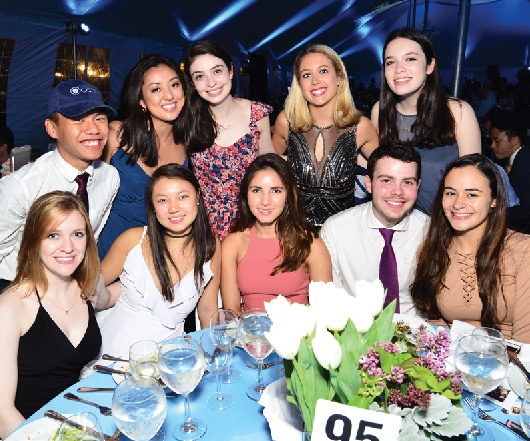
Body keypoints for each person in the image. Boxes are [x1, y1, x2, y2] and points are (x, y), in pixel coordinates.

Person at [0, 79, 119, 291]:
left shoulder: (110, 178)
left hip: (69, 288)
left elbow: (91, 238)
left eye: (100, 118)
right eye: (78, 120)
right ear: (52, 128)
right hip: (19, 288)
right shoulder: (22, 185)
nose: (93, 129)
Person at [0, 191, 102, 438]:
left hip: (72, 423)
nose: (68, 247)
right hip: (26, 431)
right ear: (35, 241)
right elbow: (2, 413)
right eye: (53, 235)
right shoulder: (12, 306)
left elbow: (113, 294)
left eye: (77, 234)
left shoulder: (86, 286)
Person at [96, 164, 220, 356]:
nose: (173, 208)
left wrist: (212, 355)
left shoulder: (211, 247)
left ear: (198, 197)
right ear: (153, 207)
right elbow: (91, 288)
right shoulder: (133, 240)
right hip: (114, 356)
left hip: (170, 359)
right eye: (162, 200)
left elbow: (207, 309)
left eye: (182, 196)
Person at [411, 154, 530, 342]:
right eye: (450, 192)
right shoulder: (432, 250)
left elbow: (526, 341)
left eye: (472, 194)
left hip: (511, 363)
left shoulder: (524, 251)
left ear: (494, 200)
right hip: (454, 361)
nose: (458, 204)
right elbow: (435, 325)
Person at [371, 28, 481, 214]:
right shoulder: (380, 111)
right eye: (391, 62)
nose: (399, 69)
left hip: (446, 225)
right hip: (397, 224)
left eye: (410, 59)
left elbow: (473, 183)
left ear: (430, 66)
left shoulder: (457, 112)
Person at [273, 44, 378, 230]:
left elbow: (386, 174)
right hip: (294, 232)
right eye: (306, 75)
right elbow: (268, 170)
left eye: (323, 71)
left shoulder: (361, 127)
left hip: (341, 237)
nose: (315, 81)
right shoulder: (286, 122)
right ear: (299, 84)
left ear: (339, 77)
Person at [97, 54, 191, 259]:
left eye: (174, 85)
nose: (169, 96)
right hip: (108, 251)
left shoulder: (190, 141)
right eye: (156, 89)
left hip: (155, 256)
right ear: (141, 101)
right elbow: (89, 195)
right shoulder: (117, 135)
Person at [183, 40, 276, 241]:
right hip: (204, 229)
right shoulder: (187, 122)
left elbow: (271, 167)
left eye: (217, 71)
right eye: (200, 76)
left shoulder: (257, 114)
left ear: (231, 71)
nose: (211, 83)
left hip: (252, 223)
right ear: (192, 83)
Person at [320, 144, 428, 316]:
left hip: (415, 333)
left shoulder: (430, 232)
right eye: (386, 180)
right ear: (369, 184)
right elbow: (329, 300)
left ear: (418, 186)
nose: (397, 191)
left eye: (407, 182)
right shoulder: (336, 230)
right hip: (354, 333)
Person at [221, 154, 332, 314]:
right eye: (257, 190)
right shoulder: (233, 244)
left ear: (288, 195)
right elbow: (232, 313)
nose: (265, 201)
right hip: (249, 335)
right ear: (246, 194)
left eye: (276, 191)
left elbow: (325, 312)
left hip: (298, 337)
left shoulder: (310, 244)